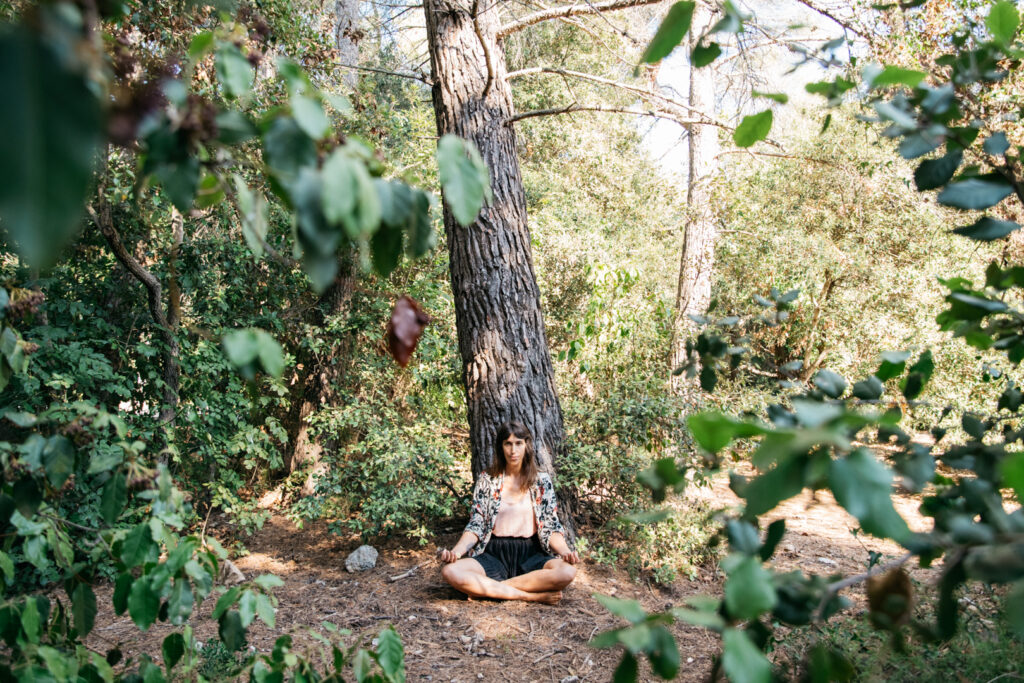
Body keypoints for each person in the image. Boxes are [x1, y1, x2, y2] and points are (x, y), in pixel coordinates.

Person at [439, 421, 579, 604]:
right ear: (501, 446)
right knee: (450, 571)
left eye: (518, 443)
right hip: (494, 554)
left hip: (531, 554)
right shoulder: (488, 480)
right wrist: (456, 553)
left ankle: (491, 589)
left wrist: (566, 552)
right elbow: (477, 524)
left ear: (527, 445)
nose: (513, 450)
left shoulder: (541, 482)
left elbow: (550, 526)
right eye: (508, 443)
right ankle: (529, 595)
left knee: (568, 571)